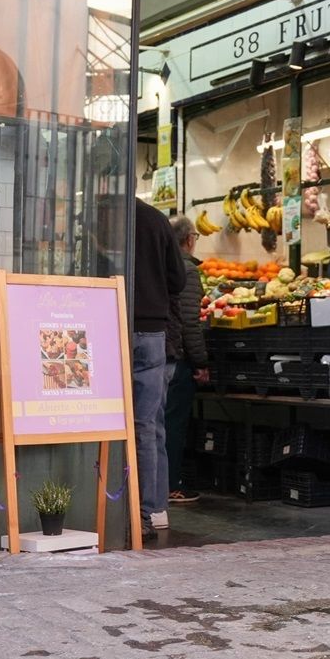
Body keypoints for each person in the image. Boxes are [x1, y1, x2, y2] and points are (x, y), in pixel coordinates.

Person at [125, 196, 184, 536]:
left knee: (107, 420)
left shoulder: (99, 215)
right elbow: (178, 280)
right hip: (151, 331)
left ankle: (125, 507)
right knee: (148, 421)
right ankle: (152, 509)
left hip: (110, 321)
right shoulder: (156, 219)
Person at [163, 215, 209, 506]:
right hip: (178, 358)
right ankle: (170, 485)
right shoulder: (188, 271)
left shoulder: (160, 264)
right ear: (189, 239)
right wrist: (201, 361)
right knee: (174, 424)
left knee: (159, 422)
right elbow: (190, 322)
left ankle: (157, 485)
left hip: (161, 353)